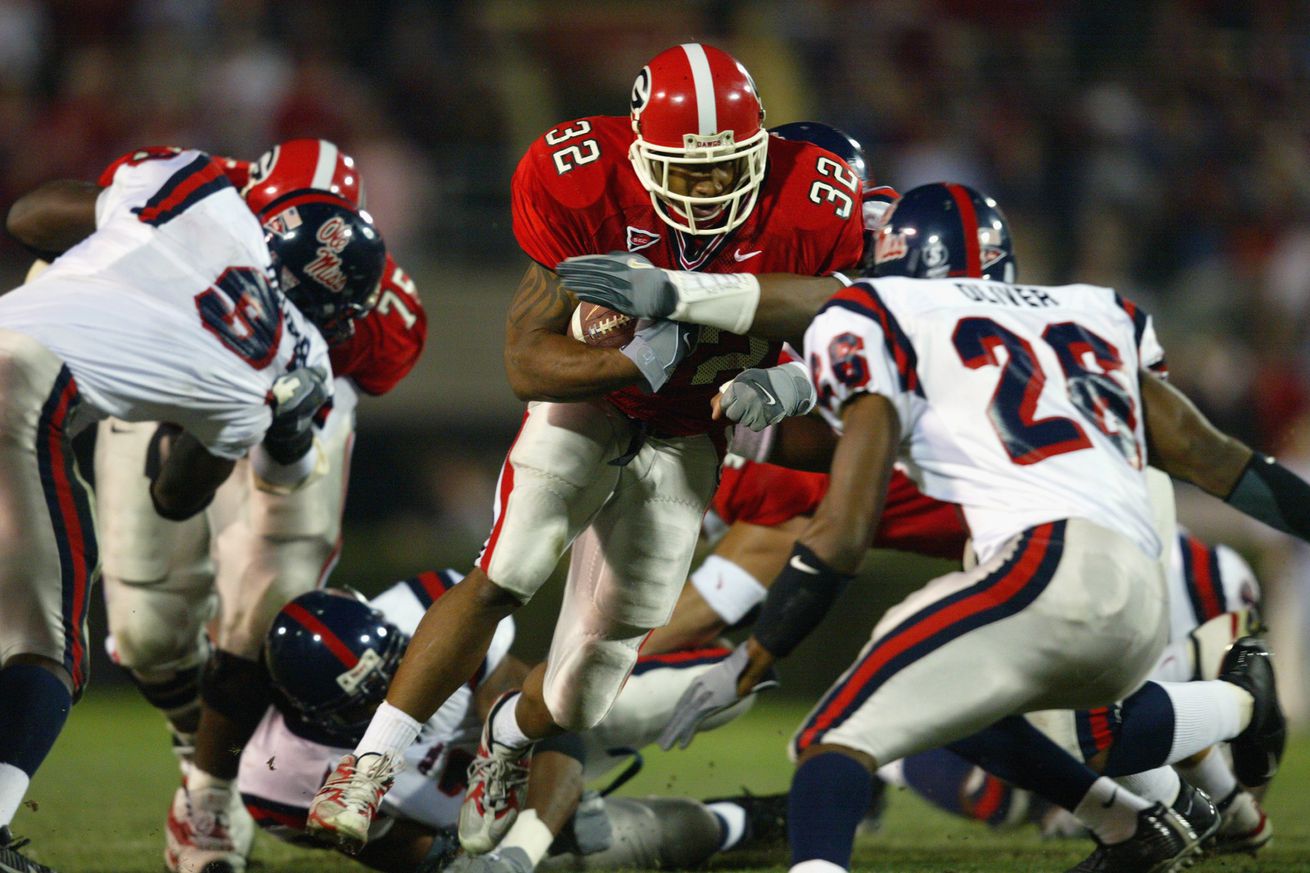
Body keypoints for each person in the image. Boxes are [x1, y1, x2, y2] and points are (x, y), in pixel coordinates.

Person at [555, 181, 1304, 873]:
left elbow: (839, 521)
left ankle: (1230, 720)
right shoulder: (1095, 308)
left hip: (1042, 562)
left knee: (832, 739)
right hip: (1132, 568)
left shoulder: (885, 314)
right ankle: (1201, 751)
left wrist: (751, 659)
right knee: (982, 713)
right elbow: (1216, 458)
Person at [305, 42, 865, 857]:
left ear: (763, 150)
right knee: (509, 567)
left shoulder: (814, 195)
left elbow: (851, 333)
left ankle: (507, 733)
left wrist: (794, 388)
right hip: (594, 402)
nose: (708, 188)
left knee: (591, 678)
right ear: (640, 149)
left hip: (691, 430)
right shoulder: (582, 175)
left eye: (727, 167)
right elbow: (526, 359)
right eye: (689, 169)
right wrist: (631, 360)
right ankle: (367, 765)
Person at [0, 147, 372, 873]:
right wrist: (281, 420)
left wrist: (124, 235)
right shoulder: (290, 362)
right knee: (41, 644)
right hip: (20, 399)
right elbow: (178, 495)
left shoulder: (206, 192)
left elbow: (27, 216)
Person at [85, 140, 425, 873]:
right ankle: (202, 738)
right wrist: (116, 230)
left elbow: (355, 383)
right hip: (174, 376)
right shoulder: (190, 198)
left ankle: (209, 789)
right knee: (145, 627)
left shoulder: (382, 306)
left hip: (294, 401)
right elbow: (46, 212)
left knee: (271, 590)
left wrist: (289, 408)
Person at [243, 577, 777, 873]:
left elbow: (543, 720)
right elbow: (423, 859)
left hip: (517, 762)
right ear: (315, 716)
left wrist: (530, 835)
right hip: (470, 831)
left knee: (719, 688)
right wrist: (496, 858)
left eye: (397, 666)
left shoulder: (425, 613)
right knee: (680, 829)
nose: (394, 694)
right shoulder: (282, 776)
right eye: (369, 700)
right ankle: (753, 820)